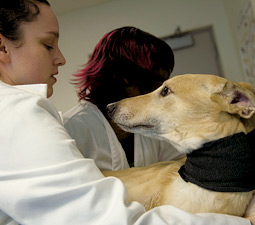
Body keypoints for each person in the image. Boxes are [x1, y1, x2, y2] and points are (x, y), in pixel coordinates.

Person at [0, 1, 253, 224]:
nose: (61, 58)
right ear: (123, 78)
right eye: (47, 45)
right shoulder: (38, 119)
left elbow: (195, 168)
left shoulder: (155, 131)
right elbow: (104, 217)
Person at [64, 26, 183, 171]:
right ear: (122, 76)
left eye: (163, 82)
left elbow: (179, 161)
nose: (157, 91)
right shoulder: (72, 128)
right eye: (155, 81)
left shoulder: (151, 124)